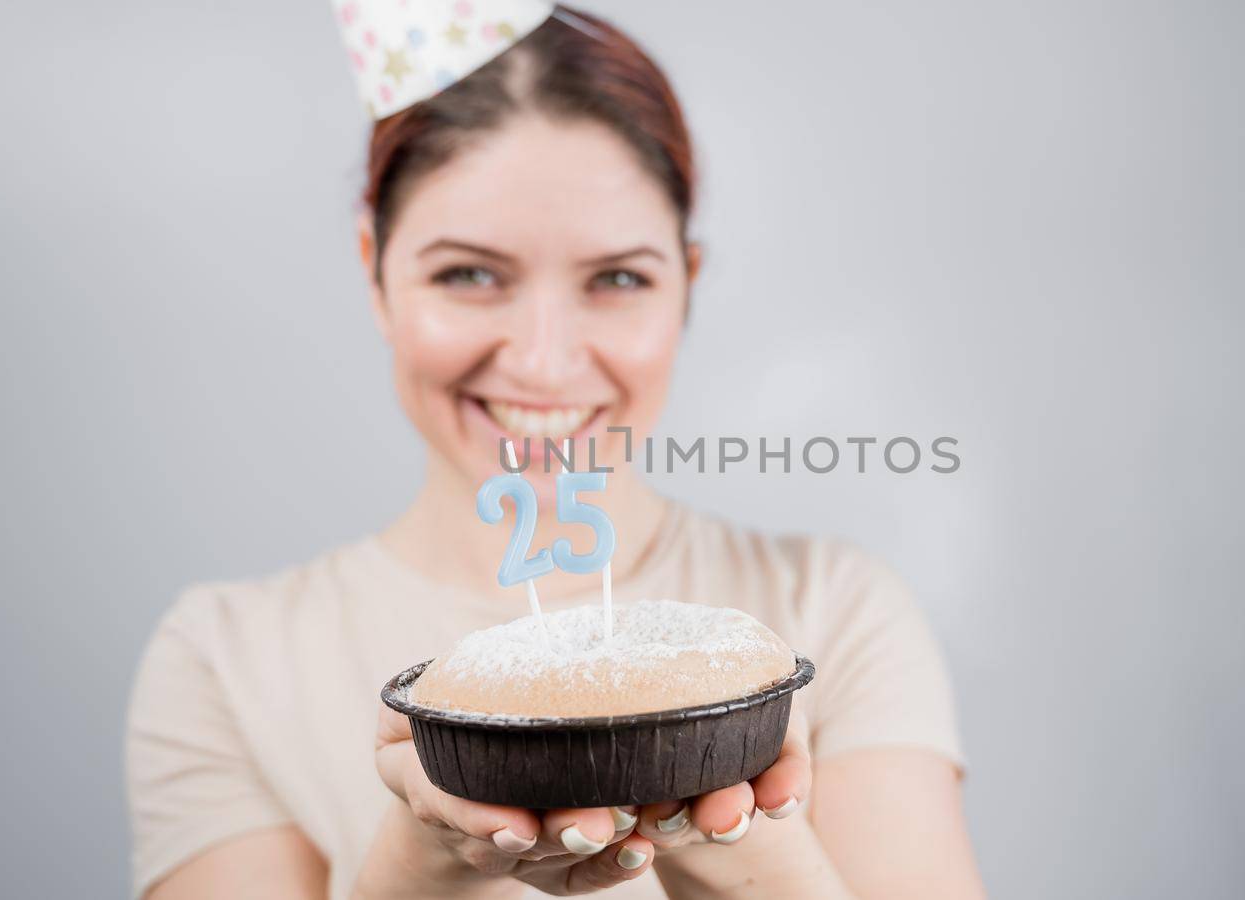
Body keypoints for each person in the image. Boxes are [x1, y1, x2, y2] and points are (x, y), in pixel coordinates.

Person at [126, 6, 983, 898]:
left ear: (686, 284)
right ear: (375, 269)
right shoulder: (225, 657)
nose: (542, 359)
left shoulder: (837, 611)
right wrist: (422, 860)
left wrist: (726, 815)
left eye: (617, 279)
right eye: (469, 273)